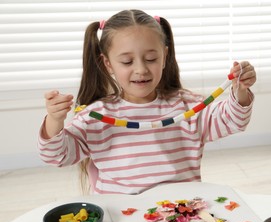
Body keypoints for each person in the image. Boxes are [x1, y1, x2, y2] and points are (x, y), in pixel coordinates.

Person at [38, 9, 256, 195]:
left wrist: (240, 90)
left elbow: (233, 120)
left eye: (151, 59)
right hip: (122, 221)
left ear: (164, 57)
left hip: (183, 215)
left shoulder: (188, 106)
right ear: (108, 64)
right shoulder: (94, 117)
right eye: (127, 61)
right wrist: (54, 120)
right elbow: (57, 156)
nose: (141, 69)